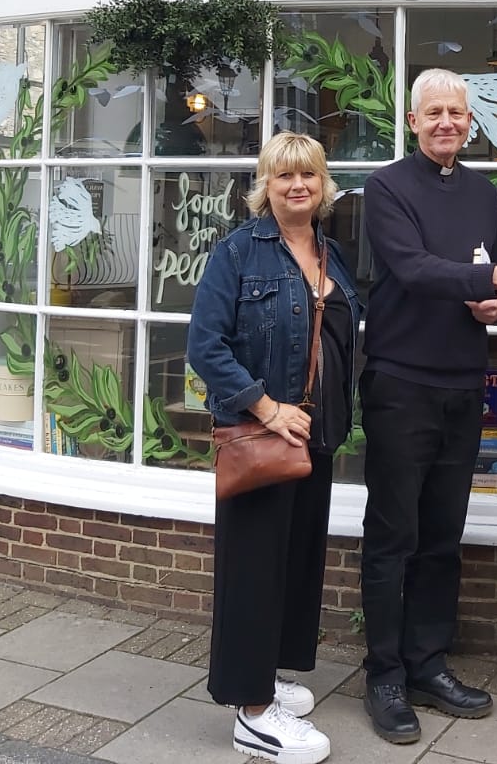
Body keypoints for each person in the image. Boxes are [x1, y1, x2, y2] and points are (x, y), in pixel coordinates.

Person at [359, 68, 497, 744]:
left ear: (471, 122)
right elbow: (412, 270)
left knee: (442, 536)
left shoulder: (482, 190)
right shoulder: (385, 187)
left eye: (457, 113)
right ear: (413, 122)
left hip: (463, 380)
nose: (447, 122)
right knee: (393, 535)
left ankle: (427, 663)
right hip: (400, 383)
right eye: (434, 112)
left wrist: (495, 300)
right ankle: (383, 674)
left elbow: (479, 268)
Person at [187, 133, 364, 764]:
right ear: (265, 185)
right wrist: (265, 405)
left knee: (294, 564)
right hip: (264, 436)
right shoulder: (238, 252)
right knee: (254, 570)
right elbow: (206, 347)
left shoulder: (331, 253)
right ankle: (252, 713)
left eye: (309, 176)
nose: (298, 186)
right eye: (284, 176)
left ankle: (272, 675)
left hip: (313, 438)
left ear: (323, 186)